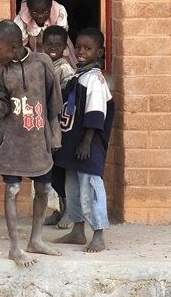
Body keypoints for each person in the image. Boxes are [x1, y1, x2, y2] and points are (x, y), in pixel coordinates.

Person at [0, 20, 63, 267]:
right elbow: (2, 110)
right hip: (12, 142)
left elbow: (53, 104)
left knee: (43, 190)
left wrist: (55, 136)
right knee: (13, 190)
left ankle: (36, 240)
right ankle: (15, 247)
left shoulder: (42, 63)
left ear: (15, 46)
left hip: (39, 141)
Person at [55, 27, 114, 253]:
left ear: (99, 53)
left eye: (88, 49)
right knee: (72, 188)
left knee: (90, 186)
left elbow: (96, 112)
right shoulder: (79, 75)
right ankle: (77, 230)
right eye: (78, 47)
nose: (81, 52)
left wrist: (87, 141)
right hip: (72, 144)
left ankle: (98, 234)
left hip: (87, 145)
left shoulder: (95, 80)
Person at [42, 25, 75, 227]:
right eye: (48, 44)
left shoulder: (64, 68)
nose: (52, 48)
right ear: (42, 45)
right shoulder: (42, 65)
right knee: (51, 172)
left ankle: (69, 211)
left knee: (61, 171)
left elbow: (68, 97)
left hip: (60, 126)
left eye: (57, 45)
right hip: (45, 125)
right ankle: (60, 209)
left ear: (64, 47)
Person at [14, 0, 77, 67]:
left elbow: (61, 35)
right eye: (35, 12)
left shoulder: (58, 12)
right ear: (29, 8)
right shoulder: (24, 17)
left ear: (50, 6)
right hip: (35, 48)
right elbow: (20, 41)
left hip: (57, 46)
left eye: (45, 11)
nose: (40, 16)